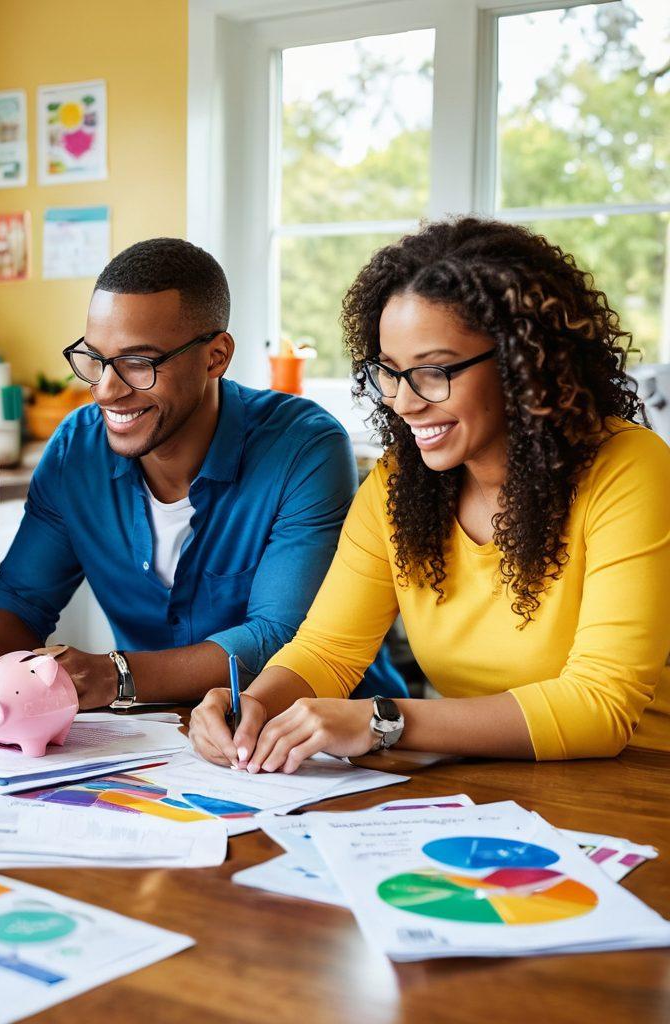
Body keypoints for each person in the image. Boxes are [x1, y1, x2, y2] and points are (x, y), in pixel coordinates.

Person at [189, 217, 670, 771]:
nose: (403, 402)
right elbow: (328, 649)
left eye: (434, 372)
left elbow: (599, 705)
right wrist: (253, 703)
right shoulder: (400, 483)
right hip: (490, 784)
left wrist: (382, 720)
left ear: (523, 362)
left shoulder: (628, 468)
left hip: (637, 785)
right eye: (390, 373)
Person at [0, 237, 405, 709]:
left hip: (331, 741)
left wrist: (116, 674)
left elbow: (280, 638)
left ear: (216, 356)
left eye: (138, 363)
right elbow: (22, 600)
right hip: (160, 739)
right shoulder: (75, 451)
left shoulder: (303, 448)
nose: (105, 390)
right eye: (96, 359)